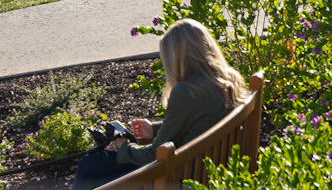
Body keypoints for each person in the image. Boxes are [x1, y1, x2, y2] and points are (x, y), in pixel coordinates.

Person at [72, 19, 249, 190]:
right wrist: (154, 129)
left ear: (175, 58)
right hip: (206, 167)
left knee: (95, 174)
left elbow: (157, 154)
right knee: (92, 164)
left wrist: (124, 147)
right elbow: (199, 123)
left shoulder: (187, 92)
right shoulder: (228, 80)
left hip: (183, 177)